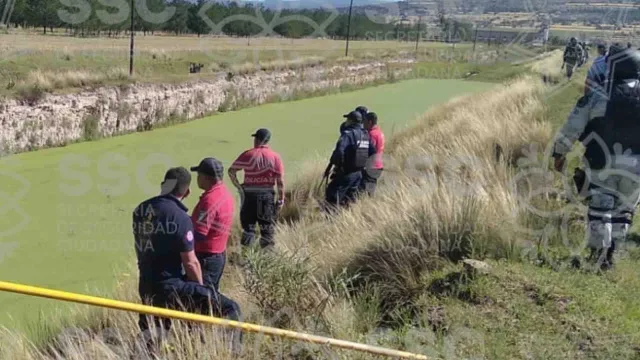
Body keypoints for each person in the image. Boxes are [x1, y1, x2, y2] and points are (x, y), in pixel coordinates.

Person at [552, 47, 640, 270]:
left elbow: (572, 127)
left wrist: (559, 153)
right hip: (636, 168)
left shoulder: (596, 97)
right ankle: (611, 255)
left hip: (602, 163)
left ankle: (598, 255)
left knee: (601, 209)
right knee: (624, 210)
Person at [133, 167, 241, 333]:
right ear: (188, 192)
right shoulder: (180, 217)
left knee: (153, 336)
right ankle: (231, 353)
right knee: (232, 309)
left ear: (163, 185)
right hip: (171, 287)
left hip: (146, 285)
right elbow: (191, 263)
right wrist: (201, 292)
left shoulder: (140, 210)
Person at [229, 128, 285, 249]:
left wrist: (239, 187)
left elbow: (231, 171)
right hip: (267, 196)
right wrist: (281, 200)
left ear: (257, 139)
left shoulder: (248, 154)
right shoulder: (275, 157)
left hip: (249, 195)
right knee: (267, 230)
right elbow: (280, 181)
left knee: (248, 229)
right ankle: (268, 259)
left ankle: (246, 260)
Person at [190, 157, 234, 292]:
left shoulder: (210, 201)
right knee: (210, 295)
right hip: (217, 255)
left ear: (206, 178)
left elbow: (199, 234)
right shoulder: (225, 193)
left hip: (206, 258)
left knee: (201, 298)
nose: (197, 178)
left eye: (199, 175)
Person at [324, 111, 376, 210]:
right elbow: (373, 152)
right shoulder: (365, 134)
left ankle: (332, 222)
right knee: (350, 200)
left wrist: (339, 166)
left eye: (347, 119)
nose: (346, 121)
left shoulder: (348, 134)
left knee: (332, 197)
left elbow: (339, 151)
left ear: (351, 121)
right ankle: (348, 220)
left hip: (346, 173)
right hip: (359, 174)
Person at [360, 112, 385, 196]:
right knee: (370, 190)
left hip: (371, 166)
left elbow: (368, 151)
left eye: (364, 121)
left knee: (366, 192)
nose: (363, 124)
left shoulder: (371, 134)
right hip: (378, 164)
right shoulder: (379, 132)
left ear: (369, 122)